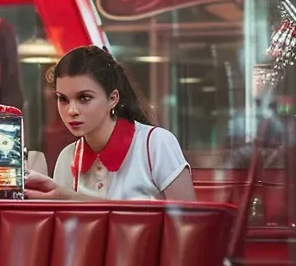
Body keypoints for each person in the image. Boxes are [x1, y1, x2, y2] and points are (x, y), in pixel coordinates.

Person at [26, 45, 195, 202]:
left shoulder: (156, 143)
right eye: (63, 99)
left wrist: (71, 198)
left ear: (113, 98)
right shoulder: (67, 157)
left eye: (84, 98)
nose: (71, 110)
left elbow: (188, 223)